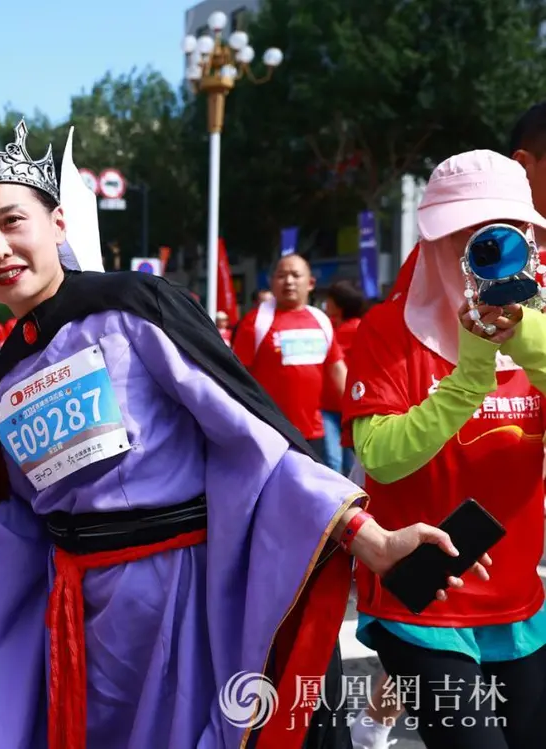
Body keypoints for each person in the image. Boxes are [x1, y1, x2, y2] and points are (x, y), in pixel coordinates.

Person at [0, 108, 490, 749]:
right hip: (81, 624)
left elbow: (255, 446)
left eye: (11, 221)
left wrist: (370, 539)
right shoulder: (4, 377)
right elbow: (23, 524)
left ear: (57, 223)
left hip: (185, 600)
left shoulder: (135, 313)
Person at [343, 150, 546, 749]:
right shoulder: (385, 332)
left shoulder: (537, 331)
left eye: (506, 235)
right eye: (465, 236)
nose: (484, 255)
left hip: (518, 604)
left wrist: (526, 340)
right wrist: (467, 381)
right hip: (423, 600)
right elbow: (380, 455)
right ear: (432, 243)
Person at [233, 254, 346, 458]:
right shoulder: (255, 322)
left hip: (313, 434)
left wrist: (356, 414)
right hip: (268, 432)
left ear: (310, 283)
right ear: (271, 282)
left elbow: (337, 370)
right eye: (282, 275)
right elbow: (235, 375)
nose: (289, 281)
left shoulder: (321, 321)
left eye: (296, 275)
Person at [321, 279, 366, 475]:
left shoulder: (354, 329)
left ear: (339, 304)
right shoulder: (328, 326)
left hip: (345, 407)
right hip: (331, 405)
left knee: (343, 462)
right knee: (336, 461)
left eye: (328, 300)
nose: (325, 304)